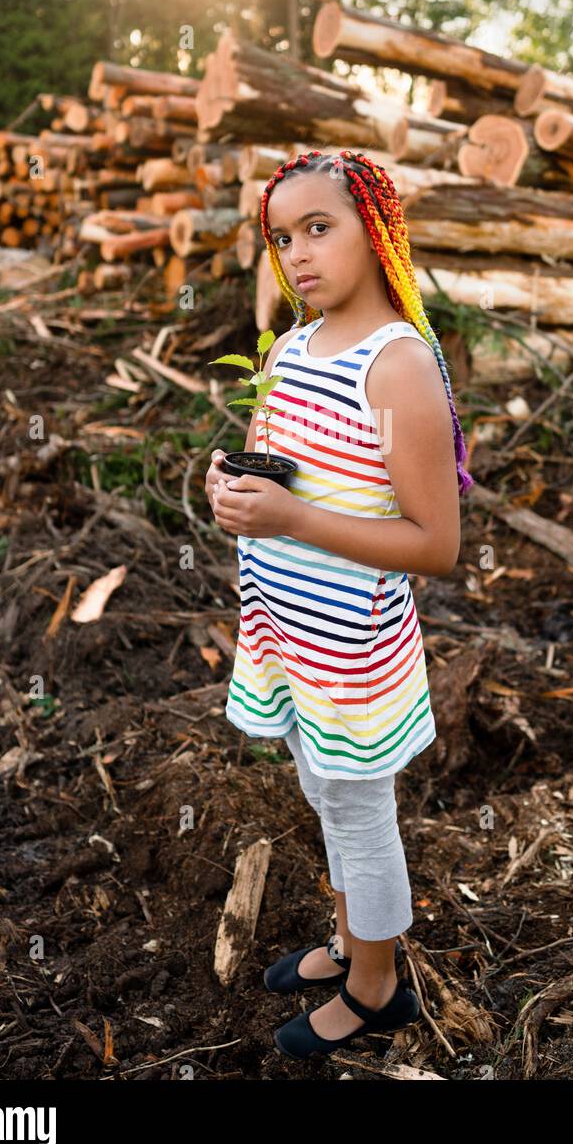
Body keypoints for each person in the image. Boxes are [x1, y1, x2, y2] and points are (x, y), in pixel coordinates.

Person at [205, 149, 471, 1058]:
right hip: (287, 630)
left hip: (353, 646)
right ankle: (351, 939)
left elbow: (434, 544)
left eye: (320, 228)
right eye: (282, 238)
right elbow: (270, 465)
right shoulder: (285, 349)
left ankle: (376, 985)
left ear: (377, 228)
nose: (299, 254)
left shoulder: (394, 367)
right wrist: (232, 490)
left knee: (360, 809)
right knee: (323, 791)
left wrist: (290, 516)